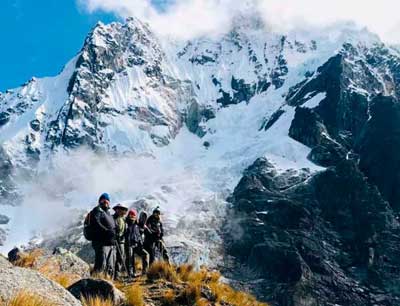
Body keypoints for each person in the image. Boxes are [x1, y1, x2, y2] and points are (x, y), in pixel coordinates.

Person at [90, 193, 117, 277]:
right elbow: (96, 223)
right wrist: (107, 231)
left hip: (110, 244)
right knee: (101, 265)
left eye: (107, 200)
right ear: (100, 201)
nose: (105, 201)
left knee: (110, 266)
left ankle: (108, 284)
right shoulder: (97, 210)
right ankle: (94, 284)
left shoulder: (108, 213)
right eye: (103, 199)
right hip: (101, 243)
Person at [125, 209, 149, 276]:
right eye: (130, 214)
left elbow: (139, 233)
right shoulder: (126, 223)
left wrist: (143, 229)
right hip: (129, 244)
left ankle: (145, 272)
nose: (131, 216)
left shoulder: (137, 224)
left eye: (133, 214)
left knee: (146, 254)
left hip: (137, 244)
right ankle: (130, 273)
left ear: (135, 216)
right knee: (130, 258)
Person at [112, 204, 128, 278]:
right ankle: (112, 275)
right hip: (114, 241)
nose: (122, 211)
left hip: (121, 241)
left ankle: (117, 275)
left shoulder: (123, 219)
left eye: (122, 209)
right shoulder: (113, 218)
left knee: (120, 258)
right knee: (114, 258)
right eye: (120, 209)